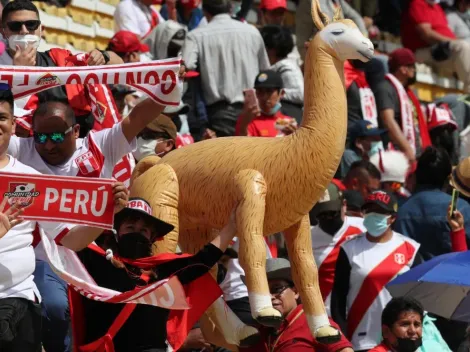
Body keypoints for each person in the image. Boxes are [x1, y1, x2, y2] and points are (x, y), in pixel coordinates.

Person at [7, 77, 182, 351]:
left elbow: (138, 116)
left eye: (57, 137)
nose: (48, 146)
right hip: (49, 258)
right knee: (54, 309)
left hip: (99, 255)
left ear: (76, 130)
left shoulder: (99, 146)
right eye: (41, 137)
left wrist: (169, 86)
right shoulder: (21, 149)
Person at [0, 84, 129, 352]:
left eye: (1, 118)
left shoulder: (31, 179)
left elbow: (70, 239)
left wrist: (107, 212)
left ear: (13, 125)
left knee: (56, 309)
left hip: (19, 304)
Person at [71, 197, 237, 352]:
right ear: (116, 231)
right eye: (130, 228)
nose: (137, 233)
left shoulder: (163, 269)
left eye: (143, 230)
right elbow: (70, 242)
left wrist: (231, 227)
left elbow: (202, 260)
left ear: (152, 237)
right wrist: (107, 213)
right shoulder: (96, 261)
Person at [0, 0, 123, 136]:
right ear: (3, 31)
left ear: (41, 30)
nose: (24, 31)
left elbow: (119, 63)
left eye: (31, 25)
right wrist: (21, 75)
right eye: (15, 26)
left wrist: (103, 56)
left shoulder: (59, 58)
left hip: (76, 145)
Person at [330, 191, 421, 352]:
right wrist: (342, 338)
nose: (373, 216)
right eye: (369, 211)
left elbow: (419, 294)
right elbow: (338, 298)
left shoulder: (410, 248)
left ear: (392, 217)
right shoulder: (349, 248)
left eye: (379, 212)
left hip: (400, 340)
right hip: (360, 339)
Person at [182, 0, 270, 137]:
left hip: (220, 114)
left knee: (230, 157)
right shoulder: (252, 32)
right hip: (253, 108)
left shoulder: (196, 36)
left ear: (205, 12)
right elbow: (266, 72)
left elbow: (185, 67)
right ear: (230, 9)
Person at [240, 257, 354, 352]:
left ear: (296, 291)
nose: (269, 297)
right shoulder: (257, 332)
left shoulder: (316, 322)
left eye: (276, 289)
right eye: (263, 293)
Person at [394, 146, 470, 260]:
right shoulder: (461, 208)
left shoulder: (400, 210)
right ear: (449, 179)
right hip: (452, 275)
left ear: (415, 176)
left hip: (410, 276)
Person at [310, 183, 365, 314]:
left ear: (344, 205)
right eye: (322, 215)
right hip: (324, 314)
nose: (328, 219)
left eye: (332, 213)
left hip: (359, 308)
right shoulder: (307, 239)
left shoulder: (363, 229)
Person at [374, 48, 431, 166]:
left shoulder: (407, 92)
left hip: (414, 151)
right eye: (412, 66)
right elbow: (388, 120)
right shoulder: (385, 88)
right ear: (403, 68)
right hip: (396, 152)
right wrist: (406, 148)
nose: (414, 70)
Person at [401, 0, 470, 93]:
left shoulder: (437, 7)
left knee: (464, 48)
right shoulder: (418, 3)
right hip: (424, 51)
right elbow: (426, 34)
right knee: (463, 47)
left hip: (442, 52)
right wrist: (453, 42)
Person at [259, 25, 304, 123]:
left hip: (290, 117)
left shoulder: (287, 67)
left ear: (273, 49)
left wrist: (274, 94)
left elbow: (300, 94)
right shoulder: (276, 66)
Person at [235, 70, 297, 137]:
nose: (264, 97)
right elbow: (243, 144)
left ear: (281, 93)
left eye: (269, 91)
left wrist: (295, 138)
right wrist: (243, 126)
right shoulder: (248, 122)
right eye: (260, 91)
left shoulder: (290, 123)